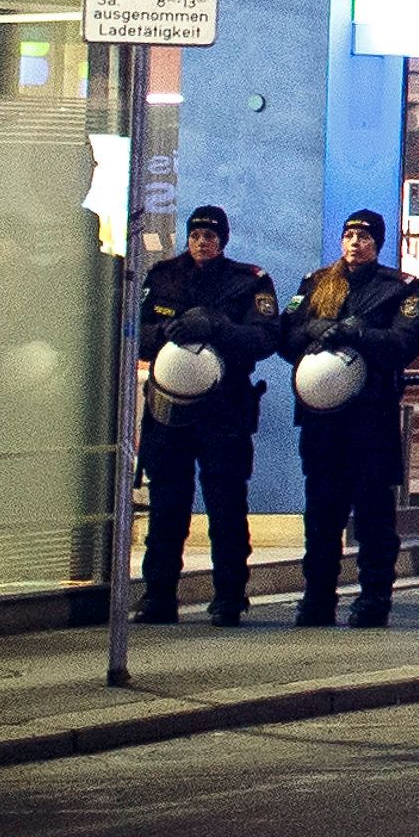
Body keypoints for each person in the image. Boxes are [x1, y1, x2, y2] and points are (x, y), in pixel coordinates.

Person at [132, 205, 279, 625]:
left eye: (210, 237)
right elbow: (133, 332)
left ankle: (230, 596)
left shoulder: (248, 281)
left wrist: (217, 327)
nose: (202, 243)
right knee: (166, 506)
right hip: (169, 413)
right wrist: (163, 332)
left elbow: (266, 336)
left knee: (226, 506)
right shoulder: (163, 277)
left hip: (224, 410)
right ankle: (159, 595)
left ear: (223, 241)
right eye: (196, 236)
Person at [280, 211, 419, 628]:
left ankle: (374, 597)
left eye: (363, 237)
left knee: (374, 514)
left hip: (371, 418)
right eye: (348, 235)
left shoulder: (399, 289)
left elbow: (404, 342)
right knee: (322, 512)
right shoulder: (316, 284)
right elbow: (285, 336)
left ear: (377, 243)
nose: (354, 244)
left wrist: (357, 333)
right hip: (321, 419)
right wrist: (316, 330)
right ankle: (318, 597)